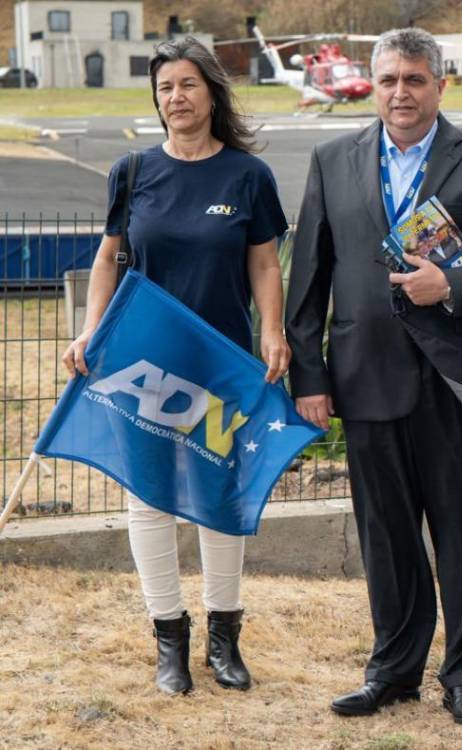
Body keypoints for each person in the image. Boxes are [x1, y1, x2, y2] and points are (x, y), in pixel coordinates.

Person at [286, 28, 462, 725]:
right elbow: (308, 277)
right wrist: (309, 376)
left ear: (439, 85)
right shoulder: (332, 160)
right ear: (374, 86)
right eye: (388, 80)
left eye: (414, 80)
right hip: (366, 375)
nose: (400, 93)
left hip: (457, 379)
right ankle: (394, 671)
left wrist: (453, 284)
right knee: (387, 535)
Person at [60, 38, 289, 696]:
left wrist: (273, 331)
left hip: (220, 364)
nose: (176, 97)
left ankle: (224, 638)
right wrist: (91, 330)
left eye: (188, 84)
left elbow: (264, 262)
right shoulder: (133, 171)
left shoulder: (247, 176)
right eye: (165, 88)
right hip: (143, 365)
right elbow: (109, 258)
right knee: (150, 496)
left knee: (219, 496)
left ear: (212, 93)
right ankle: (169, 637)